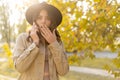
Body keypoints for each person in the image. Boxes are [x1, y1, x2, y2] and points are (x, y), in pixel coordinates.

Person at [13, 2, 69, 80]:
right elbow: (19, 67)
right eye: (39, 17)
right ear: (34, 20)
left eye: (48, 18)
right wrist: (35, 43)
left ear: (52, 22)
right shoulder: (22, 38)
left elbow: (63, 71)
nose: (43, 21)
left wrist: (54, 43)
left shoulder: (57, 41)